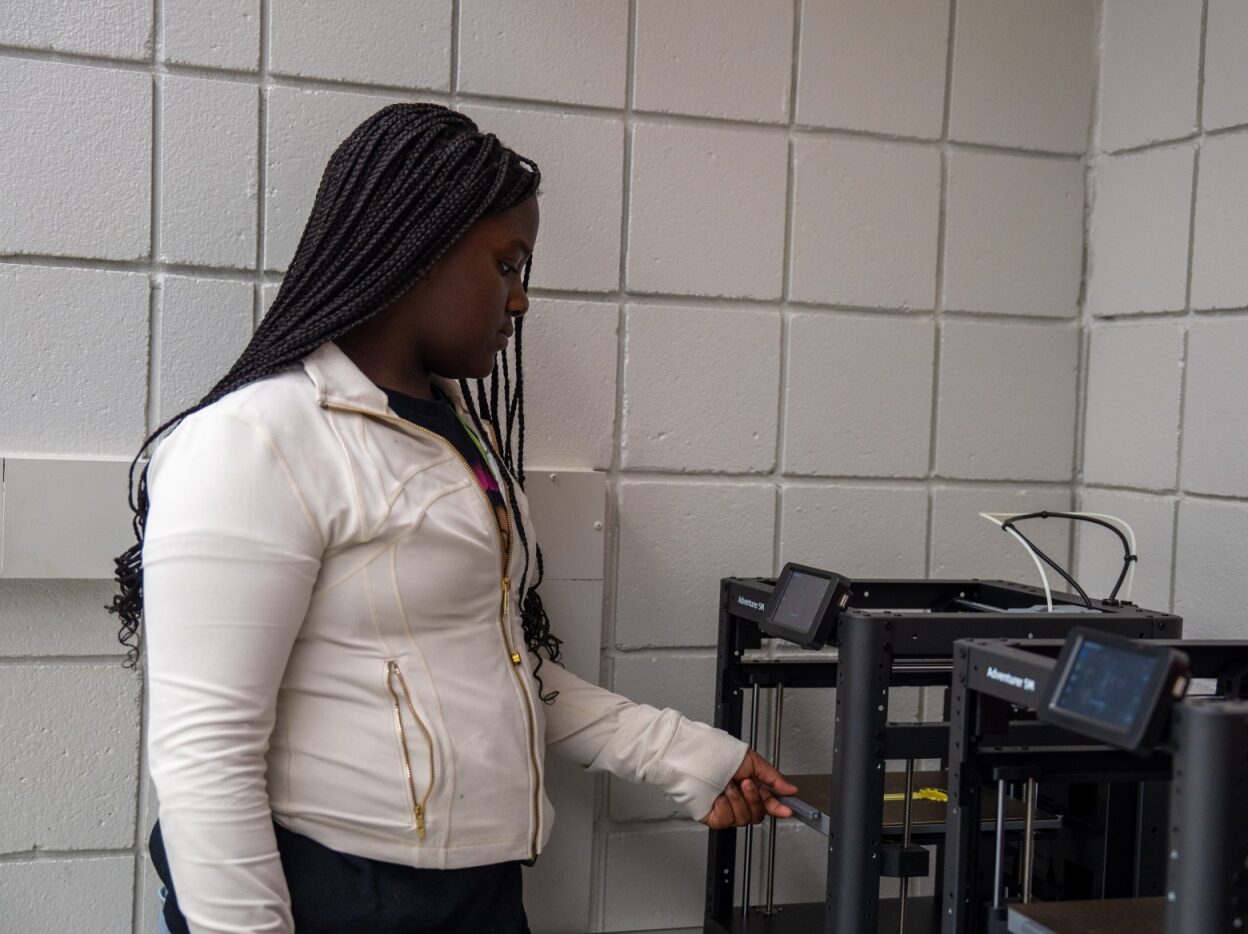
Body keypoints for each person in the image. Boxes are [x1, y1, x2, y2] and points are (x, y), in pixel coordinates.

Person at [109, 102, 796, 934]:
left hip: (474, 896)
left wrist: (691, 758)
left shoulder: (454, 436)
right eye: (507, 265)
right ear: (416, 253)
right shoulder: (256, 442)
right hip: (328, 893)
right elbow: (205, 760)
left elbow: (480, 666)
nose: (522, 302)